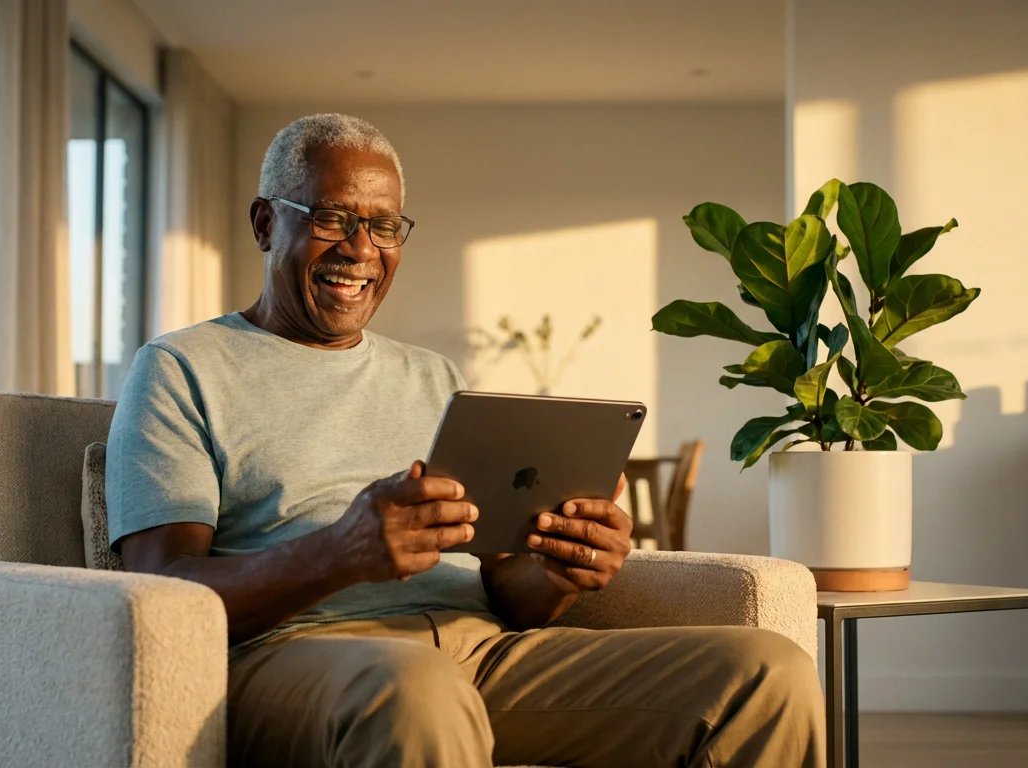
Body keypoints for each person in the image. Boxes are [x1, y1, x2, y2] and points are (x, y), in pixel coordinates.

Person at [106, 113, 825, 768]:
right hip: (299, 659)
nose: (360, 249)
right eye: (332, 218)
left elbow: (506, 593)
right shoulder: (181, 368)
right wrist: (338, 554)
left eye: (385, 226)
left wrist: (560, 569)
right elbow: (162, 591)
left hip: (480, 653)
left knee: (765, 673)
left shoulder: (435, 378)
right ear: (266, 223)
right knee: (418, 689)